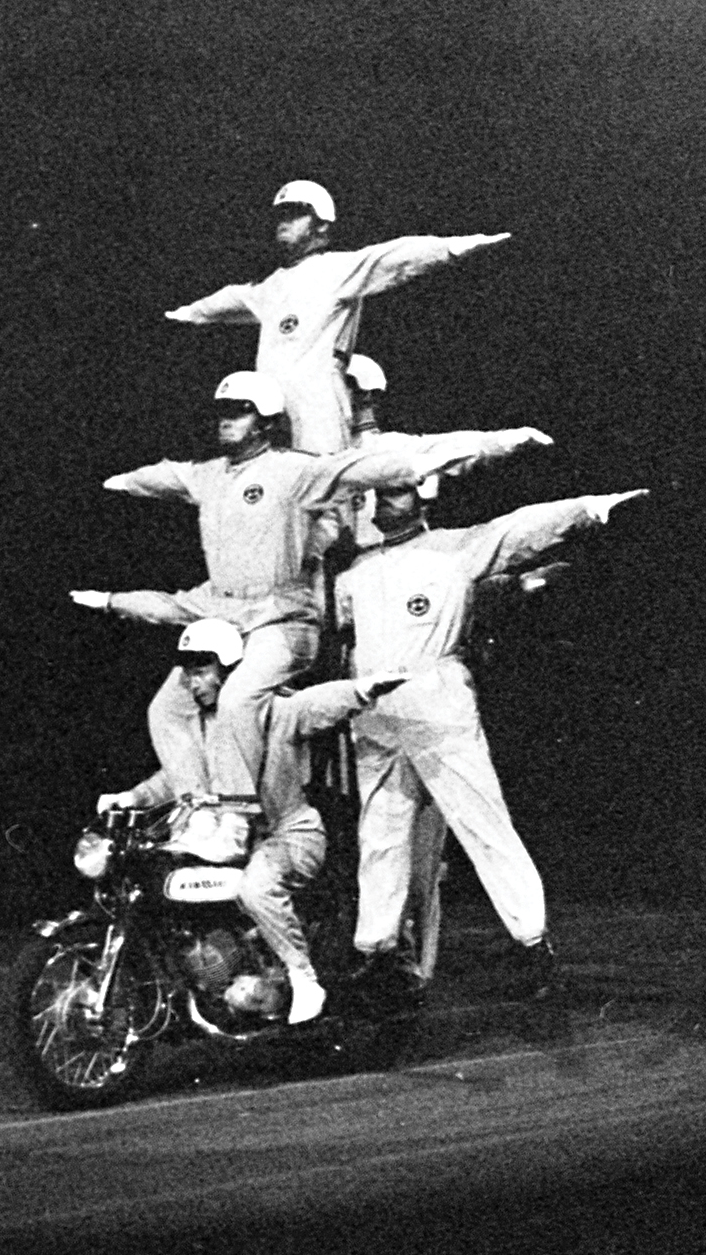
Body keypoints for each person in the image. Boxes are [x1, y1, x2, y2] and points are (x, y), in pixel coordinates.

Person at [71, 369, 554, 797]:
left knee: (240, 700)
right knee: (169, 709)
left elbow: (380, 466)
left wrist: (496, 442)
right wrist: (117, 482)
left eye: (239, 411)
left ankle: (237, 813)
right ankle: (199, 804)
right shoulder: (209, 476)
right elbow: (166, 477)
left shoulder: (293, 470)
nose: (226, 419)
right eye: (222, 411)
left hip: (283, 617)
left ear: (265, 420)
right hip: (223, 612)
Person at [335, 480, 651, 995]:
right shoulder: (356, 572)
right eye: (380, 493)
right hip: (373, 706)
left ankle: (531, 940)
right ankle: (378, 951)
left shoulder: (457, 548)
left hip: (434, 697)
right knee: (381, 833)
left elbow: (519, 526)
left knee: (481, 821)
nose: (385, 502)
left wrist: (591, 507)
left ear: (423, 498)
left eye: (399, 492)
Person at [99, 618, 411, 1025]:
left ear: (230, 669)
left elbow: (313, 706)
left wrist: (362, 689)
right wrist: (132, 798)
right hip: (239, 842)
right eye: (189, 673)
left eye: (202, 671)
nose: (193, 683)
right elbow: (175, 779)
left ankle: (303, 978)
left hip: (290, 834)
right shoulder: (206, 727)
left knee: (256, 887)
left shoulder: (272, 712)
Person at [163, 181, 512, 454]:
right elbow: (228, 299)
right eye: (281, 214)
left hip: (317, 401)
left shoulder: (337, 269)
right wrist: (186, 314)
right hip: (270, 407)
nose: (284, 221)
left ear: (321, 227)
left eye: (296, 213)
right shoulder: (269, 287)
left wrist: (455, 247)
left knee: (323, 484)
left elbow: (396, 256)